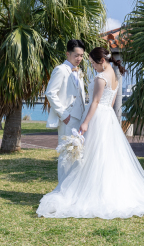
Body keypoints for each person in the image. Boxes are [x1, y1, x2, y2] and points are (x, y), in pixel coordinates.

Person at [37, 47, 144, 219]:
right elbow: (109, 104)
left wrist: (85, 122)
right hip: (107, 117)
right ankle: (101, 188)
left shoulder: (101, 77)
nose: (92, 66)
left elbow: (95, 102)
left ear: (102, 61)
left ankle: (93, 190)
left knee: (94, 155)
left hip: (97, 117)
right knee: (105, 155)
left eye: (93, 63)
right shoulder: (115, 76)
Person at [44, 39, 86, 183]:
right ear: (68, 54)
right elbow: (50, 93)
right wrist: (64, 114)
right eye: (76, 55)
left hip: (80, 118)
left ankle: (73, 187)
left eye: (81, 55)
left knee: (77, 154)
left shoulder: (79, 71)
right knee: (66, 154)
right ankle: (63, 188)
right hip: (68, 118)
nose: (79, 58)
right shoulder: (60, 70)